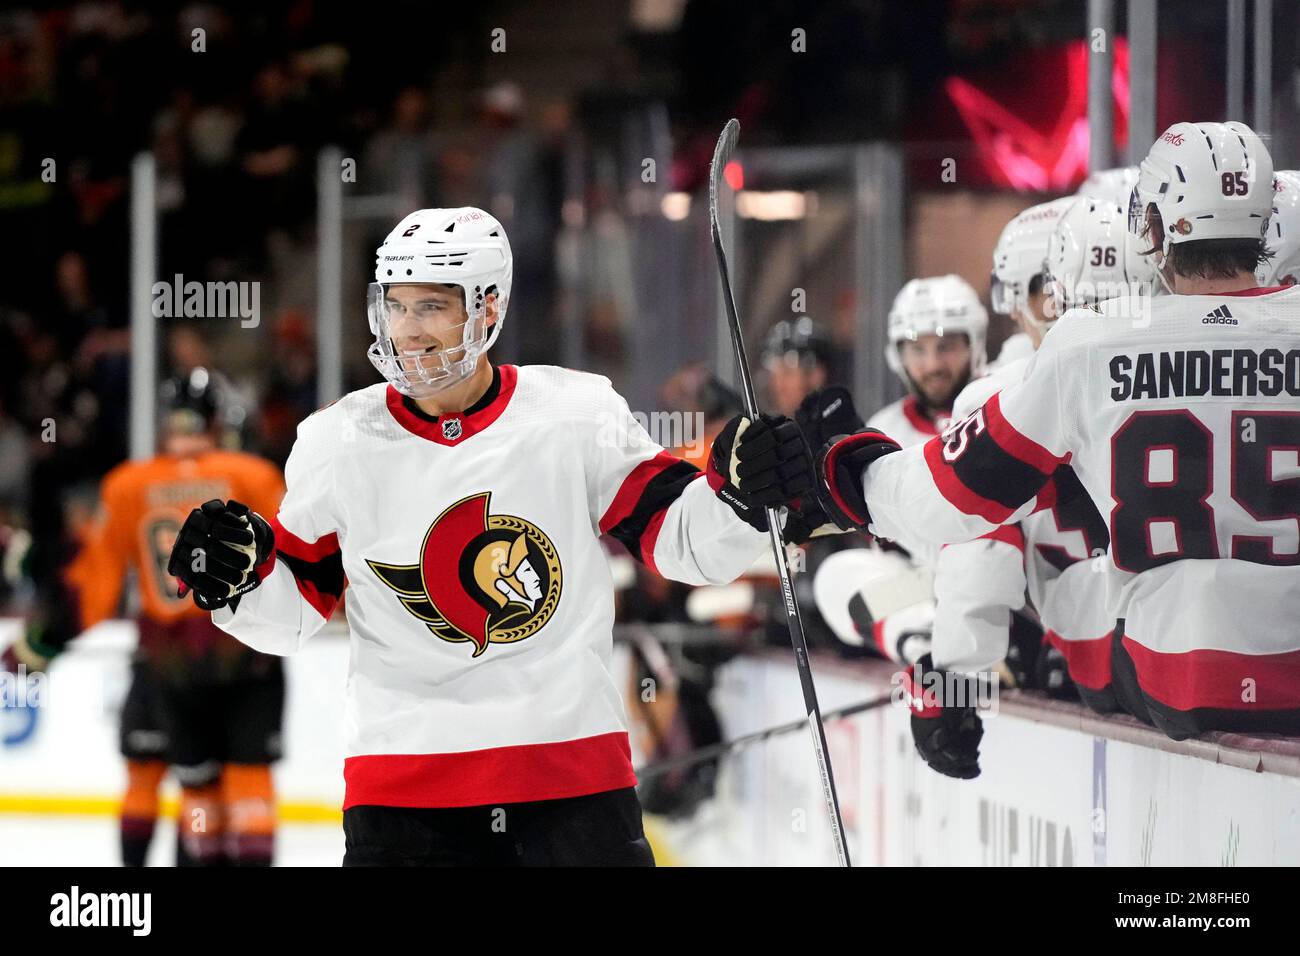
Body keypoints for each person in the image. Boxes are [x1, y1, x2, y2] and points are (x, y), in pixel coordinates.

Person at [167, 206, 817, 867]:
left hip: (574, 787)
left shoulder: (575, 416)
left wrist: (737, 497)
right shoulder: (338, 441)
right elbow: (296, 614)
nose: (408, 331)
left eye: (431, 307)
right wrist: (239, 581)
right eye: (395, 306)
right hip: (403, 802)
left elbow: (680, 541)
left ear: (487, 308)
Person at [780, 121, 1300, 744]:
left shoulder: (1089, 346)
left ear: (1153, 228)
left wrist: (843, 468)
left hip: (1173, 674)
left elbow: (958, 497)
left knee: (1086, 585)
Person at [4, 368, 286, 865]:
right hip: (246, 654)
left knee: (195, 792)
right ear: (216, 420)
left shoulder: (129, 485)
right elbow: (299, 562)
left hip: (171, 662)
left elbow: (94, 587)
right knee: (247, 785)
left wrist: (42, 640)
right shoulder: (253, 474)